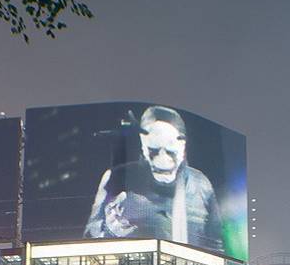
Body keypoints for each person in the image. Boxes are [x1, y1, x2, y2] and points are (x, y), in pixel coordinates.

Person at [84, 106, 223, 248]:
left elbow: (217, 245)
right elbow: (89, 240)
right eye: (153, 150)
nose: (162, 159)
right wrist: (109, 232)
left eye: (170, 150)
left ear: (182, 145)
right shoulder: (115, 177)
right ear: (143, 144)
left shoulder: (201, 183)